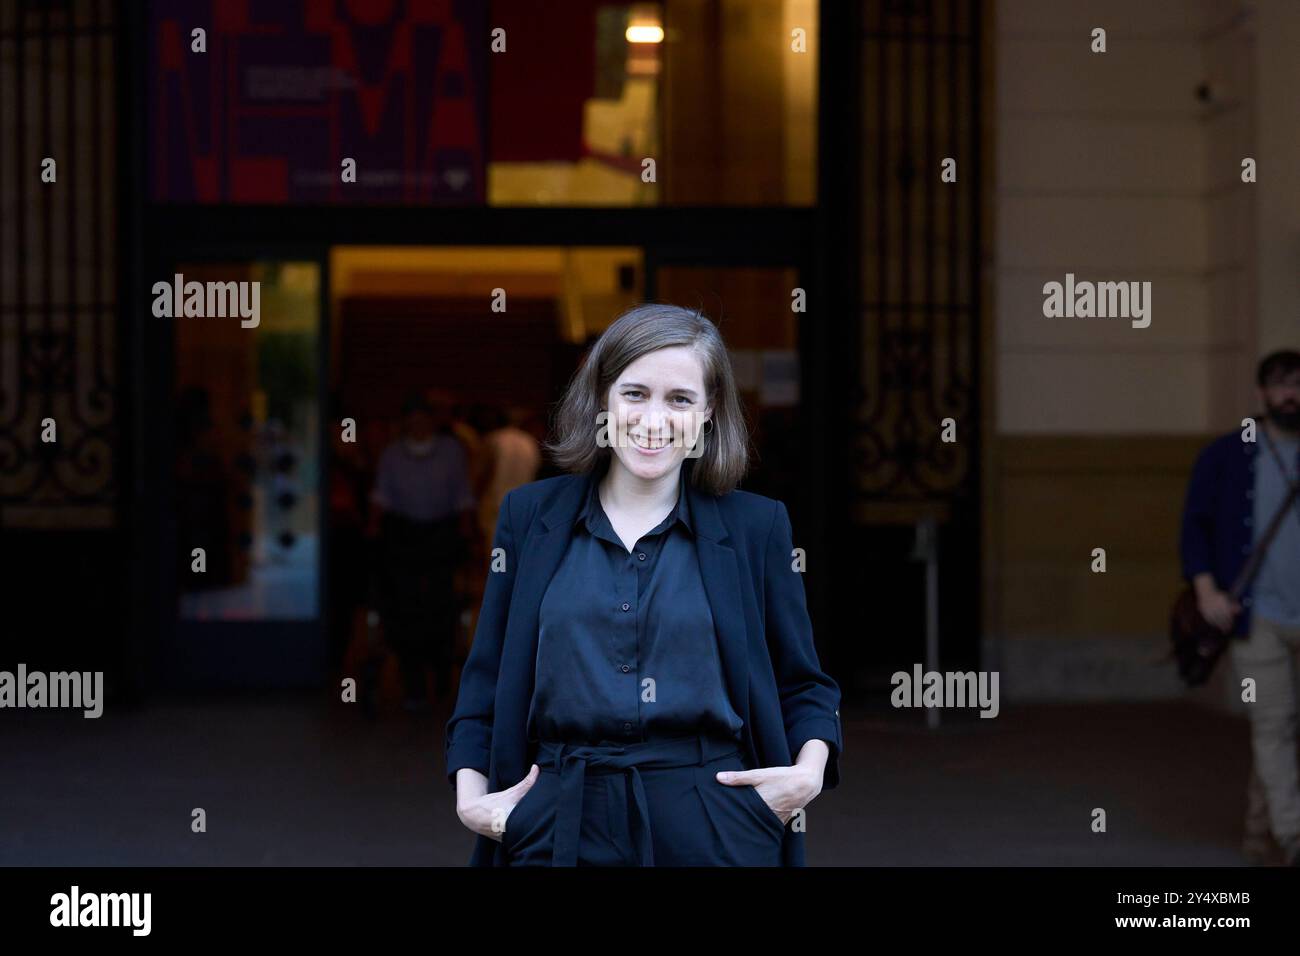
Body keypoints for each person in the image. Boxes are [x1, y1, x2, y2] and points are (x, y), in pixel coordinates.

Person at [444, 303, 843, 866]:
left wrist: (806, 774)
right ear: (601, 400)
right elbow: (485, 678)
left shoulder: (757, 527)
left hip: (716, 822)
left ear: (708, 414)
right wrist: (472, 801)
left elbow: (804, 684)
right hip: (555, 818)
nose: (654, 419)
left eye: (680, 399)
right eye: (635, 393)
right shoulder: (529, 518)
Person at [1180, 349, 1300, 866]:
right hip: (1258, 617)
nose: (1291, 395)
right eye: (1280, 386)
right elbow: (1195, 524)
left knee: (1283, 726)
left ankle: (1260, 835)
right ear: (1261, 395)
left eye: (1299, 385)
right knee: (1274, 723)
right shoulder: (1229, 454)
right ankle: (1295, 838)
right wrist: (1207, 591)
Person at [370, 394, 477, 711]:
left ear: (432, 420)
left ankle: (442, 675)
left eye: (423, 417)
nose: (417, 424)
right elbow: (382, 496)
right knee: (404, 611)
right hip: (404, 539)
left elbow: (462, 496)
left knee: (442, 608)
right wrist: (374, 532)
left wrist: (468, 535)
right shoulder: (392, 455)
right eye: (411, 418)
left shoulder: (451, 451)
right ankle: (413, 682)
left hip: (441, 538)